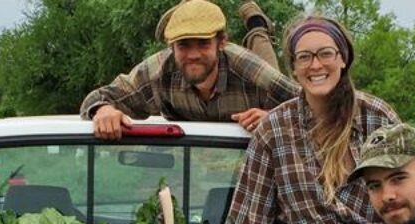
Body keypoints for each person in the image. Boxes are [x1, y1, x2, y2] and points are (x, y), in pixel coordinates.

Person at [224, 15, 398, 224]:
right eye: (304, 57)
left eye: (325, 53)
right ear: (293, 67)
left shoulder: (376, 117)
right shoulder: (274, 129)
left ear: (343, 58)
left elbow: (412, 198)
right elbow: (248, 222)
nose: (315, 65)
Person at [80, 0, 298, 140]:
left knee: (265, 55)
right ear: (171, 46)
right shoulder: (158, 71)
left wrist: (274, 117)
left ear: (221, 42)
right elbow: (98, 97)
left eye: (203, 43)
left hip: (254, 79)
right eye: (184, 44)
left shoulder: (251, 70)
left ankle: (257, 25)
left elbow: (315, 107)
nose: (193, 55)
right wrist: (103, 110)